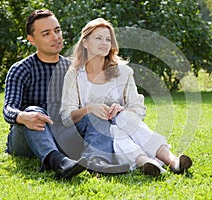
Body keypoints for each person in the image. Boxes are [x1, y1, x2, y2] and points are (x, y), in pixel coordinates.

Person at [60, 18, 193, 176]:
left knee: (122, 120)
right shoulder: (74, 74)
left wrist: (123, 111)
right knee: (108, 122)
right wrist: (90, 109)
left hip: (124, 126)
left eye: (108, 39)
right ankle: (149, 161)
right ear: (85, 42)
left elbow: (138, 108)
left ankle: (171, 162)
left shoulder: (123, 72)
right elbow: (67, 116)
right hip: (89, 130)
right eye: (98, 38)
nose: (104, 43)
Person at [3, 10, 125, 179]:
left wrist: (110, 106)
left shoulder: (74, 69)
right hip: (27, 137)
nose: (55, 37)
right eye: (46, 34)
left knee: (95, 112)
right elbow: (8, 109)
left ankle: (98, 161)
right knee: (34, 110)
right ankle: (59, 162)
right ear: (32, 40)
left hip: (63, 134)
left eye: (57, 30)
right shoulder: (21, 69)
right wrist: (23, 116)